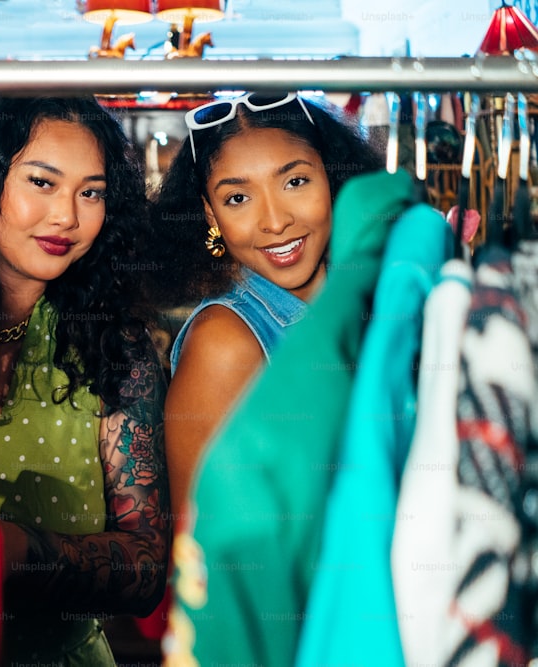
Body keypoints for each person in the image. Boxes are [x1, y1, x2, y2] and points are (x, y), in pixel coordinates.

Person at [0, 95, 170, 665]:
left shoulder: (114, 350)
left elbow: (147, 567)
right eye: (43, 183)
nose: (68, 217)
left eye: (91, 192)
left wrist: (16, 550)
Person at [150, 92, 384, 517]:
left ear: (331, 178)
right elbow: (202, 558)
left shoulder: (370, 295)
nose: (275, 221)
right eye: (238, 198)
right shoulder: (223, 345)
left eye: (295, 182)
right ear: (210, 215)